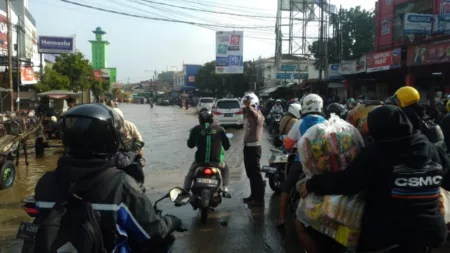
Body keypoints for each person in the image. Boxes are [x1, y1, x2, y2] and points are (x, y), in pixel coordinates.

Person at [300, 105, 450, 253]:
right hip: (431, 232)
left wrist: (312, 184)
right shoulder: (433, 150)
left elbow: (347, 182)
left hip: (387, 236)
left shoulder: (376, 154)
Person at [34, 103, 182, 253]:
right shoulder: (120, 185)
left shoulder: (45, 182)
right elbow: (152, 232)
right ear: (110, 139)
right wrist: (173, 221)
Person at [279, 94, 327, 229]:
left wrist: (284, 147)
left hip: (302, 163)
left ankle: (282, 219)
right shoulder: (327, 122)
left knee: (286, 187)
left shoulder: (300, 122)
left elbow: (288, 144)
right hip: (322, 164)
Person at [183, 108, 231, 198]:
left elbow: (190, 145)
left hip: (199, 162)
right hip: (216, 162)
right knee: (225, 169)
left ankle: (185, 191)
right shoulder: (220, 129)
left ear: (200, 119)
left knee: (190, 174)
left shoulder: (195, 129)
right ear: (212, 118)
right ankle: (225, 189)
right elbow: (227, 146)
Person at [242, 94, 265, 206]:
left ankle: (259, 198)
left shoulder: (259, 116)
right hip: (247, 147)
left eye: (248, 109)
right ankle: (253, 195)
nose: (246, 111)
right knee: (250, 174)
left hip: (254, 148)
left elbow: (254, 114)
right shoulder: (248, 116)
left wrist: (249, 107)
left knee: (256, 174)